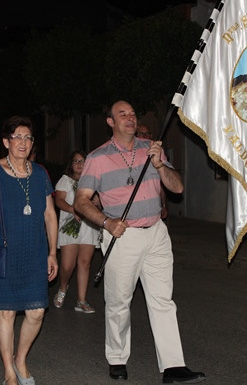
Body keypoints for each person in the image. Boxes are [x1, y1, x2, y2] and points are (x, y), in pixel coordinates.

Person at [74, 100, 205, 383]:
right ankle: (118, 358)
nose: (130, 118)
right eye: (122, 115)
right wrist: (107, 222)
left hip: (156, 232)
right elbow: (80, 201)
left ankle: (173, 367)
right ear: (110, 122)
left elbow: (177, 187)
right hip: (122, 236)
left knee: (163, 301)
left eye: (133, 114)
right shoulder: (97, 158)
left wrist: (159, 165)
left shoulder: (151, 149)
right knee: (119, 301)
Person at [0, 115, 58, 385]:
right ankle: (8, 371)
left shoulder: (40, 173)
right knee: (6, 312)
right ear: (6, 142)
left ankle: (20, 359)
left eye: (28, 137)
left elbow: (50, 215)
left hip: (35, 254)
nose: (23, 142)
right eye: (17, 137)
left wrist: (53, 252)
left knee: (37, 312)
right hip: (3, 255)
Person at [52, 150, 101, 313]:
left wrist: (98, 203)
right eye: (76, 161)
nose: (80, 164)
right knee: (67, 265)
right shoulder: (65, 180)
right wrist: (74, 210)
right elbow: (58, 200)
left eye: (83, 161)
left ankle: (81, 300)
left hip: (89, 226)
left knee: (85, 263)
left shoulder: (93, 181)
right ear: (71, 164)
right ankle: (63, 287)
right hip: (69, 226)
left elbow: (101, 203)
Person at [136, 124, 168, 220]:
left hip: (153, 209)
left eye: (148, 133)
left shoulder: (157, 153)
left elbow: (160, 185)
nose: (145, 136)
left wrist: (164, 205)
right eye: (142, 133)